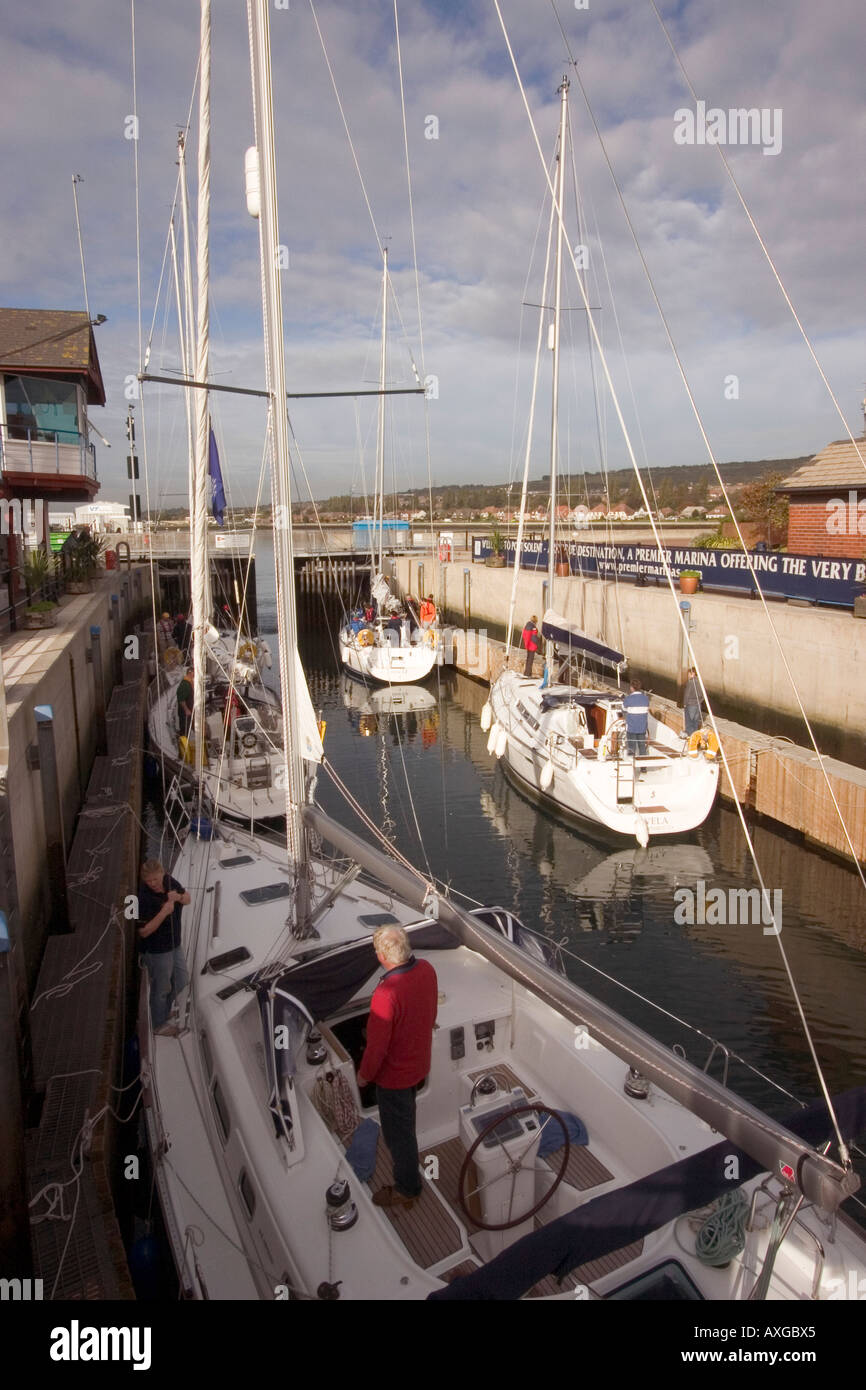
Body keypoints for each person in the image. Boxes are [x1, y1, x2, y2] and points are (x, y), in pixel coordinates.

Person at [357, 926, 438, 1210]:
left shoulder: (385, 994)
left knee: (399, 1136)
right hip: (419, 1065)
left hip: (394, 1079)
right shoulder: (427, 969)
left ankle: (407, 1188)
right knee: (407, 1118)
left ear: (381, 956)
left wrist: (364, 1076)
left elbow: (376, 1049)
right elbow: (430, 1013)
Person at [137, 859, 190, 1035]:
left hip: (174, 944)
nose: (153, 884)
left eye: (156, 879)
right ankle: (158, 1025)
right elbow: (143, 932)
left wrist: (179, 897)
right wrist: (164, 912)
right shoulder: (142, 897)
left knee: (182, 980)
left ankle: (165, 1010)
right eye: (149, 881)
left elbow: (188, 899)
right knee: (161, 988)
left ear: (163, 874)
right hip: (156, 950)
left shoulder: (169, 881)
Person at [622, 676, 649, 756]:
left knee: (631, 747)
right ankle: (643, 767)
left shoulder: (628, 698)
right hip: (642, 728)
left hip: (631, 728)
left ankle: (631, 766)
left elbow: (623, 709)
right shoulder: (646, 699)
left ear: (631, 688)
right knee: (642, 747)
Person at [683, 666, 703, 737]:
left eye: (689, 674)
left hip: (690, 705)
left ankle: (690, 737)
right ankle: (695, 737)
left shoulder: (691, 682)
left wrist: (685, 704)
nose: (688, 675)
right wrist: (699, 702)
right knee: (695, 722)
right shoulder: (700, 682)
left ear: (693, 673)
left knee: (689, 723)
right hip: (698, 705)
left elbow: (687, 695)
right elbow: (703, 695)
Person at [176, 667, 194, 736]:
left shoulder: (189, 682)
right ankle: (183, 739)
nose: (195, 674)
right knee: (184, 727)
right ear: (190, 673)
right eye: (194, 672)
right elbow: (181, 699)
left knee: (187, 726)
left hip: (189, 710)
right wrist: (186, 710)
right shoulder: (185, 684)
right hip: (185, 712)